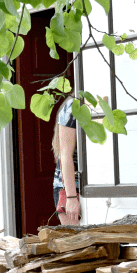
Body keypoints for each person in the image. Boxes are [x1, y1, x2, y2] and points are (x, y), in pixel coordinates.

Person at [52, 96, 80, 225]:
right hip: (71, 188)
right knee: (74, 240)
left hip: (87, 186)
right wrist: (71, 198)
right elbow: (65, 155)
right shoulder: (72, 106)